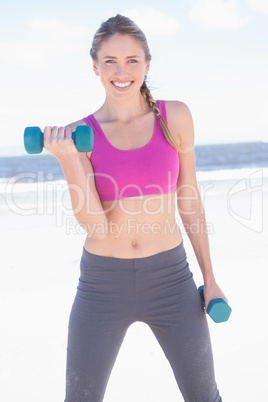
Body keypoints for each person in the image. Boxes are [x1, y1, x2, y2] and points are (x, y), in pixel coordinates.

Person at [44, 14, 227, 402]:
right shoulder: (82, 134)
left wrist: (210, 279)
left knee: (204, 396)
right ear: (95, 67)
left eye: (132, 60)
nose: (121, 71)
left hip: (171, 280)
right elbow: (97, 227)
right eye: (110, 60)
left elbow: (189, 201)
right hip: (101, 285)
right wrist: (68, 160)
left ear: (147, 63)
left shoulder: (173, 117)